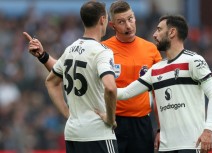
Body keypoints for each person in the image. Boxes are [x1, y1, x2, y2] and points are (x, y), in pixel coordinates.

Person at [24, 1, 162, 153]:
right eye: (121, 22)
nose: (128, 26)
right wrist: (43, 57)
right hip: (109, 119)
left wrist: (161, 128)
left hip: (140, 123)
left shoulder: (151, 50)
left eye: (130, 19)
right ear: (111, 24)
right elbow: (72, 70)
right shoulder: (103, 50)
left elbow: (159, 91)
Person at [116, 15, 212, 153]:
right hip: (166, 147)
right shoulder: (156, 69)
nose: (154, 35)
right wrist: (95, 89)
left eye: (159, 30)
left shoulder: (193, 60)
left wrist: (208, 129)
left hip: (191, 145)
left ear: (172, 32)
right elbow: (124, 93)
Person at [24, 1, 118, 153]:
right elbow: (111, 87)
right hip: (97, 134)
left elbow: (52, 81)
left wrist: (67, 114)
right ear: (102, 19)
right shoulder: (102, 52)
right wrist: (110, 118)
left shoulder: (71, 49)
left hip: (73, 133)